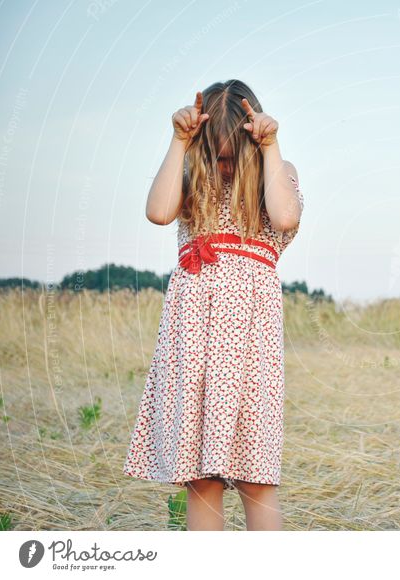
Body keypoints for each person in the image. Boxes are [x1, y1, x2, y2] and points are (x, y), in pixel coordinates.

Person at [123, 79, 304, 531]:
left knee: (255, 476)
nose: (222, 166)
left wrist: (271, 146)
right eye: (214, 155)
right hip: (193, 340)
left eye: (231, 156)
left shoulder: (276, 174)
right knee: (200, 479)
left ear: (251, 144)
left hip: (248, 346)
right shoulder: (190, 181)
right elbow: (158, 211)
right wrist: (179, 142)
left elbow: (284, 217)